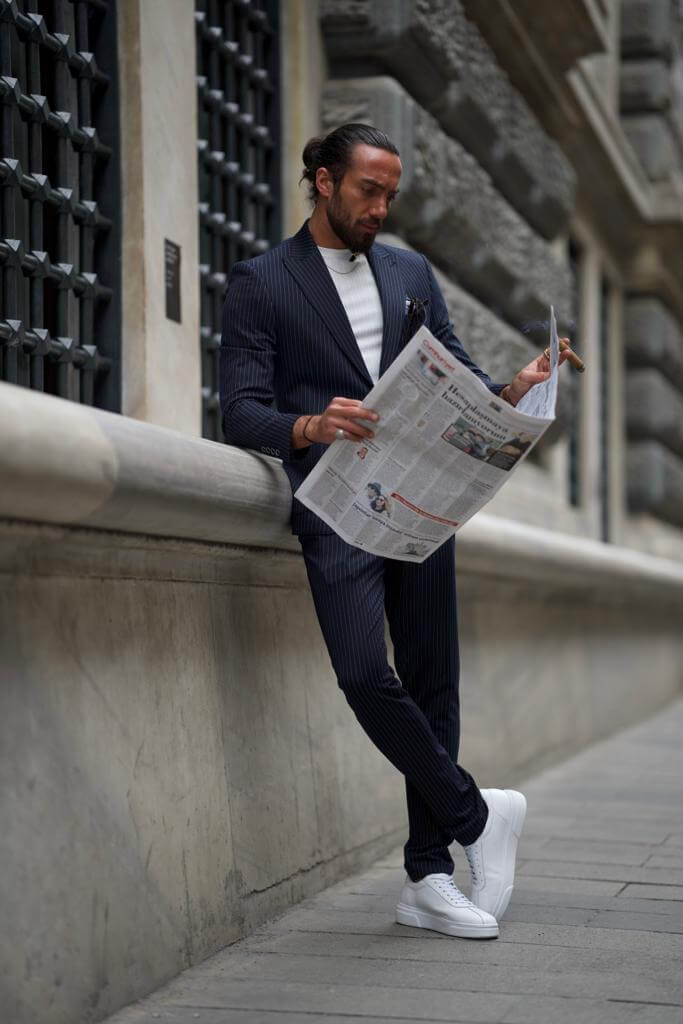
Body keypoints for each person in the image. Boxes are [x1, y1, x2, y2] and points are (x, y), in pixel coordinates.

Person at [220, 123, 572, 940]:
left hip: (422, 504)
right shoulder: (261, 281)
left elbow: (446, 365)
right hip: (335, 506)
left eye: (390, 194)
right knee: (361, 675)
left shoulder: (410, 271)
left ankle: (426, 876)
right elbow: (238, 409)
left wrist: (508, 389)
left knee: (431, 682)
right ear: (320, 180)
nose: (380, 207)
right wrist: (307, 424)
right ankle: (477, 811)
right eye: (366, 190)